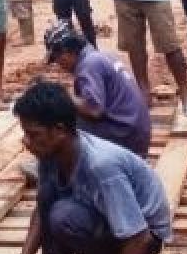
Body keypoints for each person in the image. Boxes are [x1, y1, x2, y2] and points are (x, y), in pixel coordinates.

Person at [6, 81, 171, 254]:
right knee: (52, 205)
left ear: (59, 130)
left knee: (63, 215)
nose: (26, 142)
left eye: (33, 134)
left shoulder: (101, 166)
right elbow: (42, 207)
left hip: (143, 238)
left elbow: (140, 238)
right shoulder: (51, 154)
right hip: (111, 224)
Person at [44, 24, 151, 157]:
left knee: (60, 125)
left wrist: (62, 96)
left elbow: (94, 110)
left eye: (57, 59)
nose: (59, 65)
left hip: (126, 136)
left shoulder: (89, 65)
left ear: (65, 52)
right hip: (135, 131)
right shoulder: (98, 56)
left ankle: (56, 168)